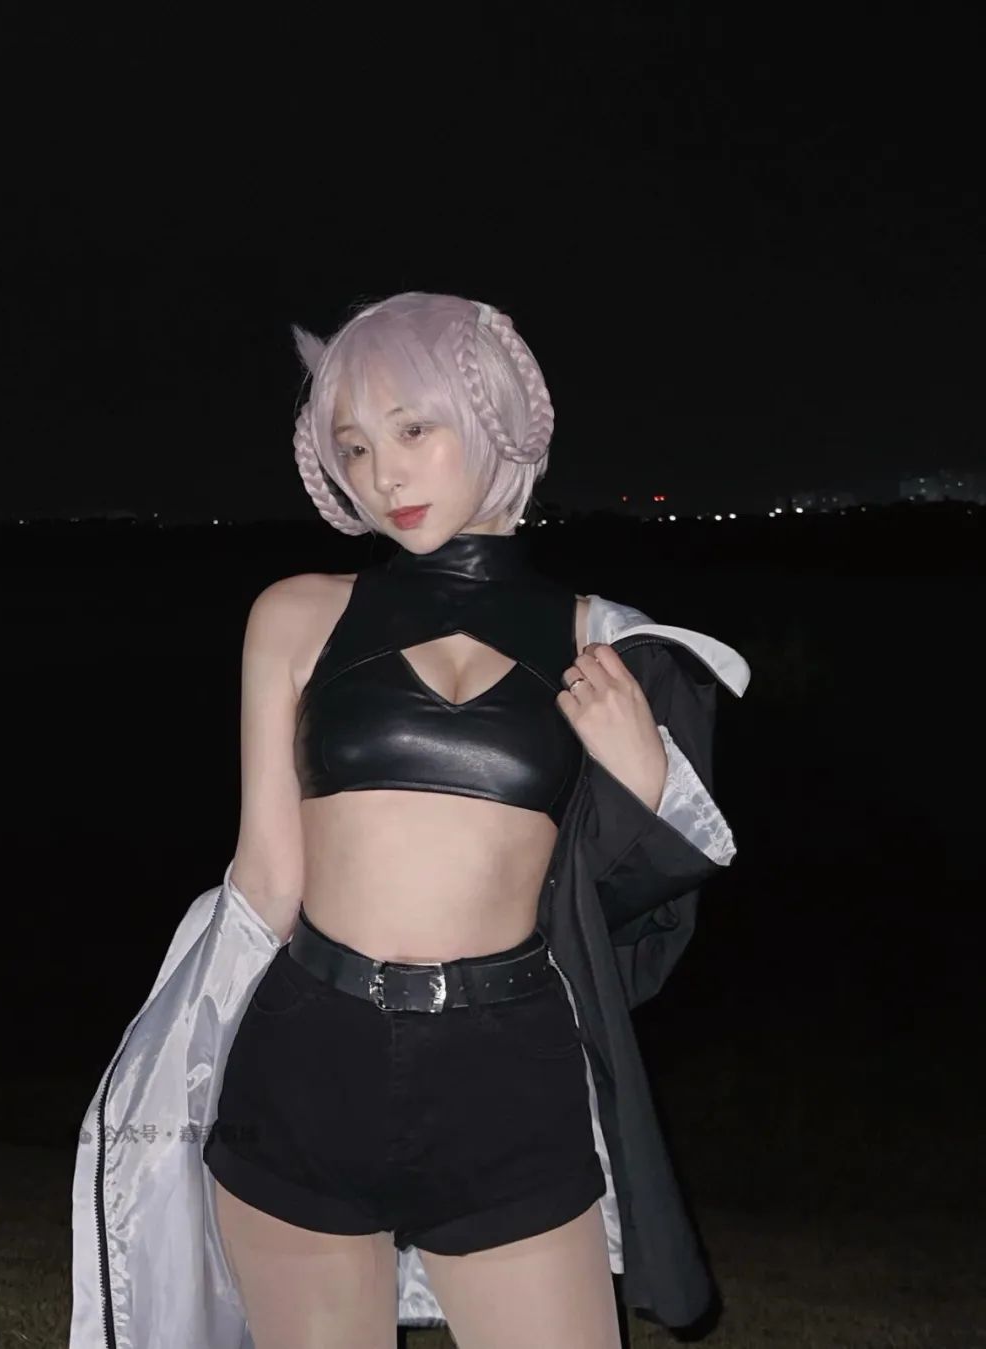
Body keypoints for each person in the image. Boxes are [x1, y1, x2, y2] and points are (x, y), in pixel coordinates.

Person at [69, 291, 751, 1349]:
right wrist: (159, 1074)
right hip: (307, 1059)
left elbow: (622, 920)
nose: (382, 474)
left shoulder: (606, 645)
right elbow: (266, 880)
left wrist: (647, 783)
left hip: (507, 1072)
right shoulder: (296, 612)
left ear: (494, 419)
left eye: (414, 429)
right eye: (353, 446)